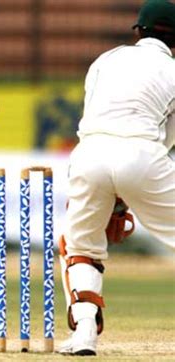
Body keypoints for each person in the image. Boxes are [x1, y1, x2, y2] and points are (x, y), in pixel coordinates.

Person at [58, 0, 175, 356]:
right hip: (142, 152)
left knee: (79, 247)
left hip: (90, 152)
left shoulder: (105, 60)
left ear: (138, 31)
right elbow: (169, 137)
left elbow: (94, 113)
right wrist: (129, 190)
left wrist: (114, 195)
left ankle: (85, 333)